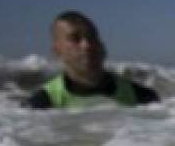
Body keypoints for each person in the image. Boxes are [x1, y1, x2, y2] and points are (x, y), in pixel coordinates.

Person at [23, 11, 160, 109]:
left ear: (102, 47)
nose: (86, 45)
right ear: (57, 52)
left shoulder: (143, 98)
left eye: (92, 37)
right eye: (75, 39)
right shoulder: (40, 106)